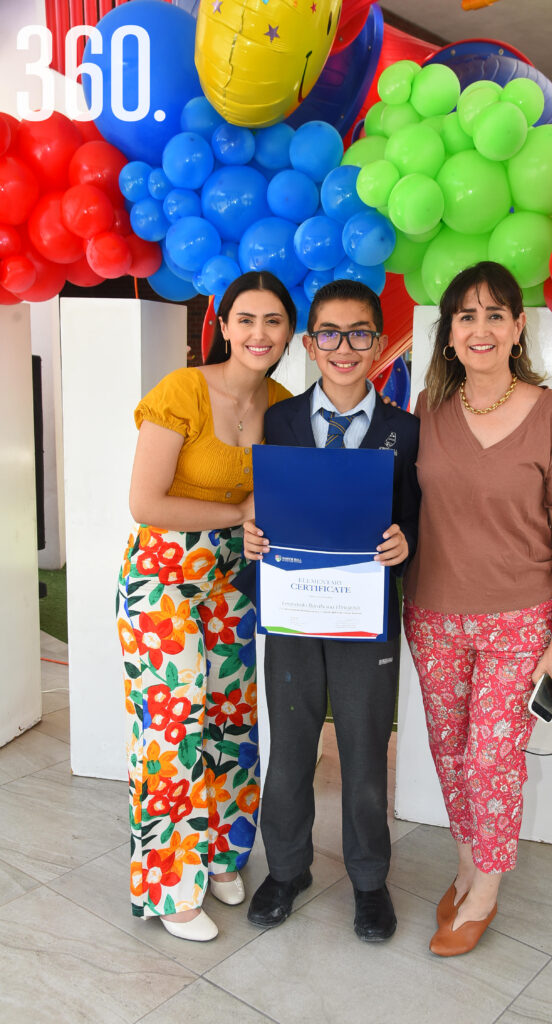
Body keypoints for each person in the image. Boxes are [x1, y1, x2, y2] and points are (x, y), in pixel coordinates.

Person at [403, 261, 552, 957]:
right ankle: (465, 862)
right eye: (465, 315)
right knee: (450, 755)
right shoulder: (426, 412)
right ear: (447, 333)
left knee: (490, 758)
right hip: (432, 614)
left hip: (519, 619)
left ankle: (484, 887)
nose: (479, 328)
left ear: (518, 327)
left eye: (494, 314)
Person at [116, 271, 296, 942]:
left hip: (229, 582)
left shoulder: (281, 404)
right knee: (172, 732)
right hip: (161, 582)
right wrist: (236, 511)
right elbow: (146, 503)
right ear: (221, 327)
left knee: (229, 723)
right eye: (245, 319)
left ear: (288, 332)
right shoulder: (182, 391)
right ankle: (167, 886)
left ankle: (221, 853)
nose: (258, 333)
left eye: (273, 321)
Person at [242, 279, 421, 942]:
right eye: (328, 333)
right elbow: (261, 507)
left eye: (357, 333)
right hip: (291, 614)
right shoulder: (280, 421)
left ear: (378, 343)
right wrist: (252, 536)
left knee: (363, 749)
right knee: (288, 749)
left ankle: (369, 881)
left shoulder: (404, 431)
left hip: (364, 618)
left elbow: (416, 519)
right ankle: (286, 869)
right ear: (308, 344)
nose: (343, 347)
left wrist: (407, 541)